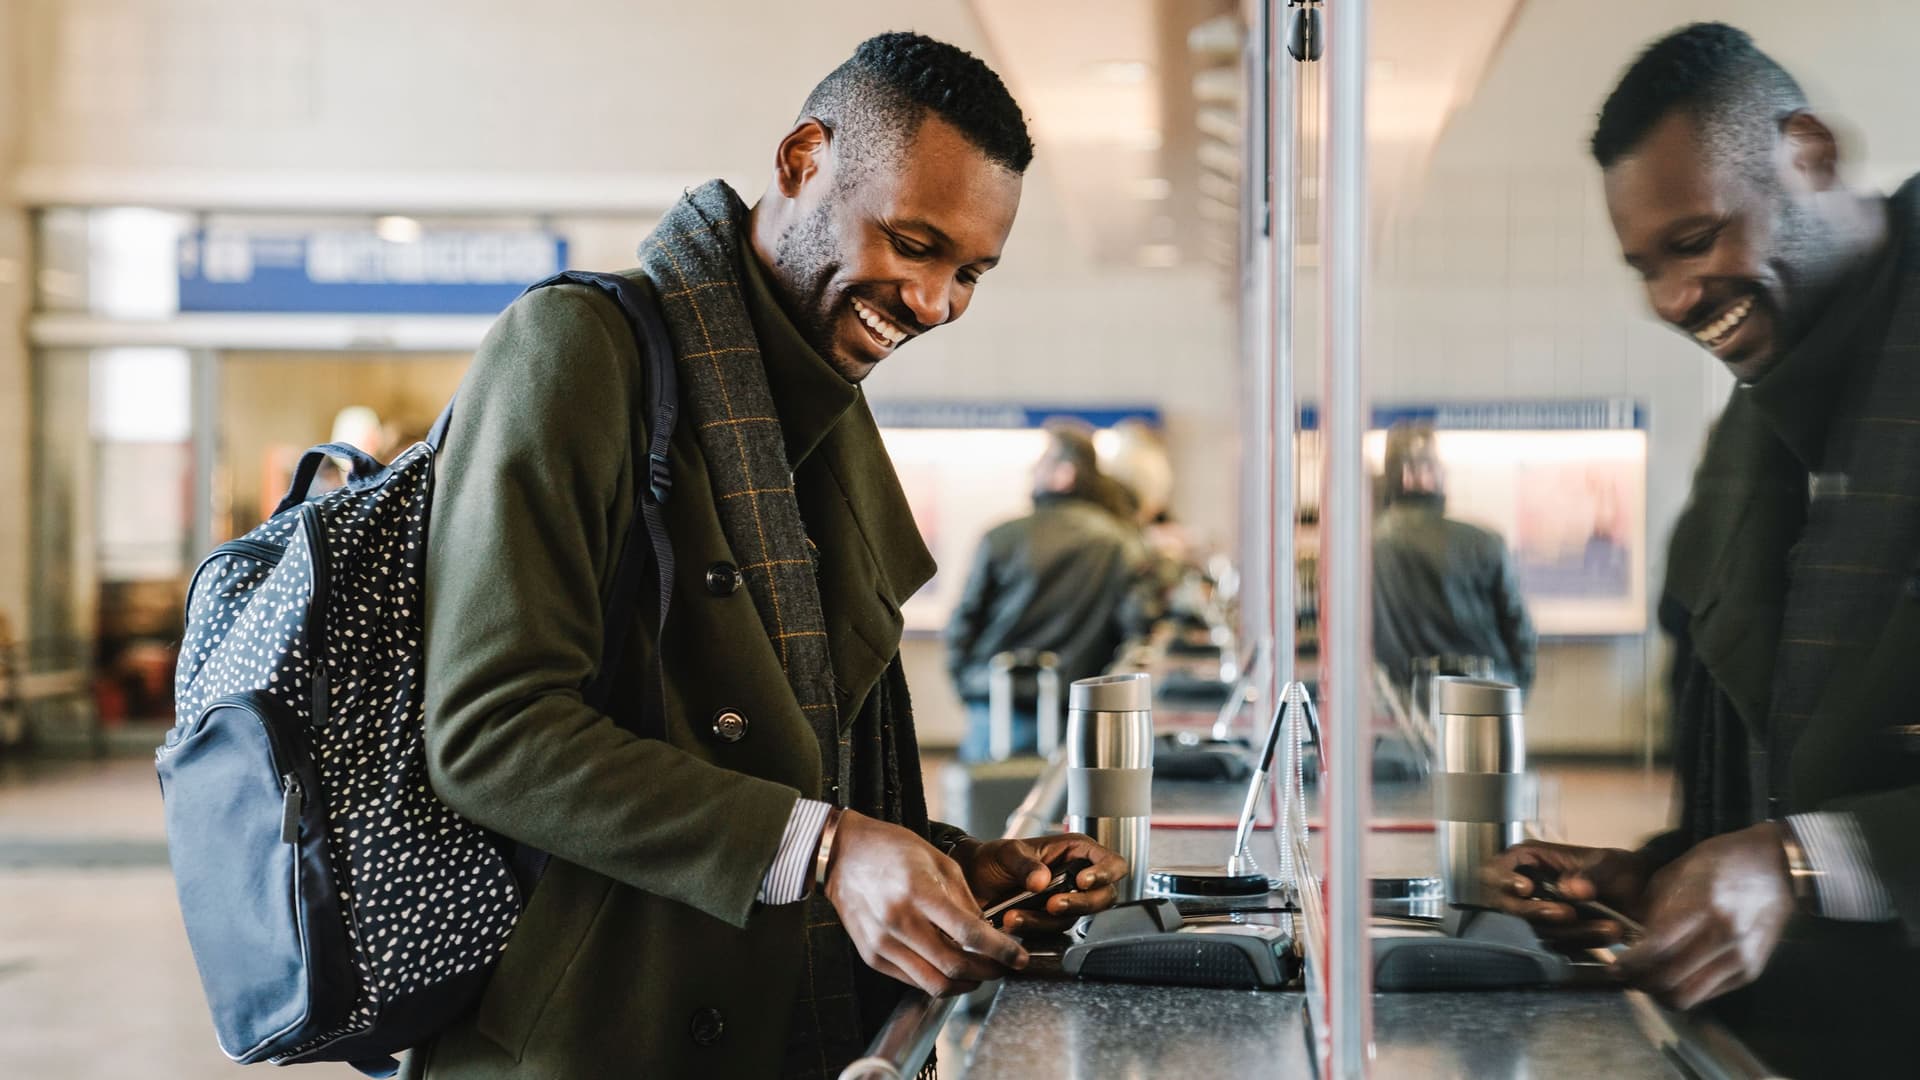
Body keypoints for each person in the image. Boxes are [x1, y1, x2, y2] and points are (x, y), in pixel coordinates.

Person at [411, 33, 1128, 1080]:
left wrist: (954, 865)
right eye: (913, 243)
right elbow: (491, 732)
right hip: (594, 1041)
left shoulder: (822, 408)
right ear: (801, 161)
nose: (934, 303)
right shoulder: (576, 349)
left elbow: (797, 769)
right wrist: (830, 850)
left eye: (969, 272)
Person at [1482, 23, 1920, 1075]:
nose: (1674, 301)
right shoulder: (1758, 421)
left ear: (1808, 154)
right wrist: (1654, 879)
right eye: (1646, 268)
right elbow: (1773, 775)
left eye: (1696, 241)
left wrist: (1798, 864)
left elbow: (1801, 841)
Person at [945, 421, 1153, 761]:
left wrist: (967, 683)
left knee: (987, 791)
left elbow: (965, 621)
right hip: (1077, 708)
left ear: (1064, 473)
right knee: (1064, 792)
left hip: (995, 705)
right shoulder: (1119, 542)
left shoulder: (1002, 537)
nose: (1033, 471)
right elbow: (1136, 624)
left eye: (1042, 462)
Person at [1370, 422, 1537, 696]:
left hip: (1404, 700)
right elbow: (1520, 632)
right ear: (1417, 474)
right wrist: (1513, 694)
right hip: (1485, 698)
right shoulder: (1484, 543)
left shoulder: (1368, 548)